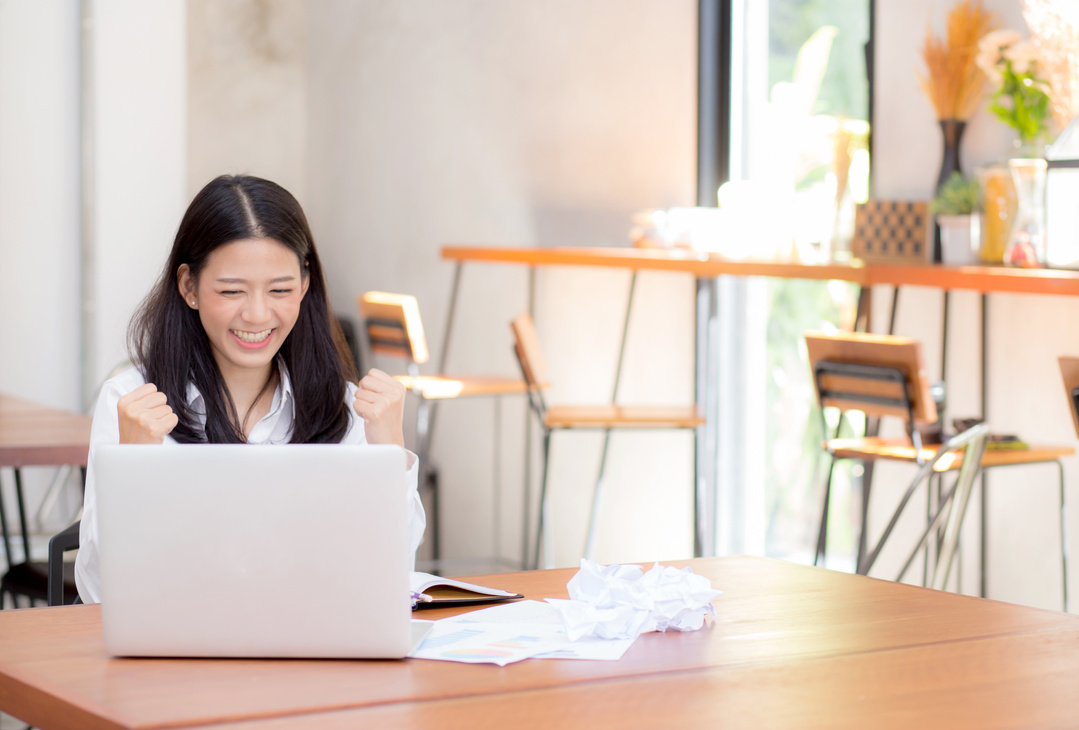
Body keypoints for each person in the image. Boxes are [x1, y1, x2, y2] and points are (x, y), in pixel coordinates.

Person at [74, 174, 424, 603]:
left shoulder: (348, 409)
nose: (257, 315)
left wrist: (390, 453)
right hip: (178, 640)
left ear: (305, 284)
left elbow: (390, 576)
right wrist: (131, 468)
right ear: (189, 287)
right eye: (232, 291)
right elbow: (98, 592)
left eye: (280, 289)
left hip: (311, 636)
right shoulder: (131, 403)